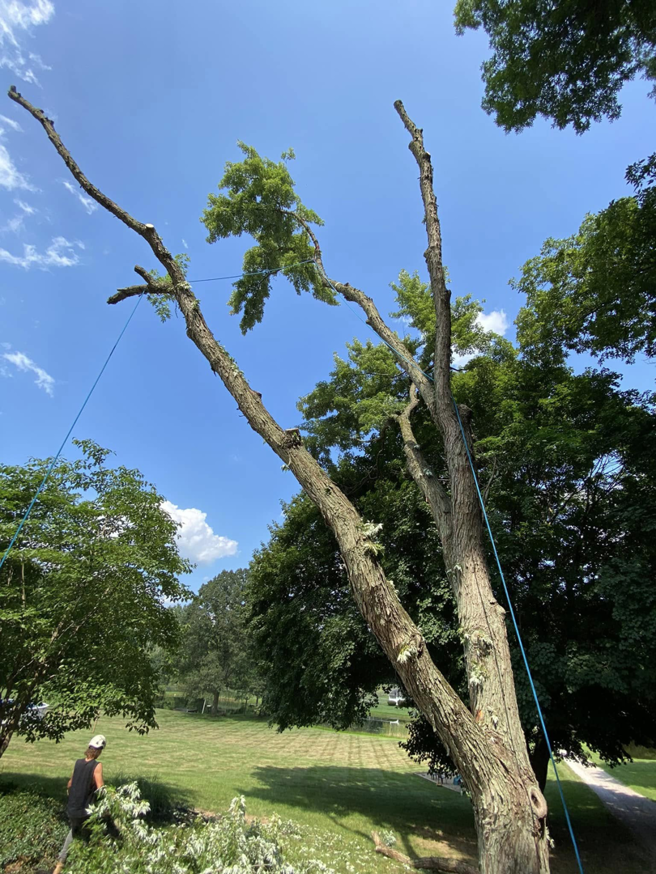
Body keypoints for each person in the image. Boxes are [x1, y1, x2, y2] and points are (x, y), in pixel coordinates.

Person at [52, 734, 106, 874]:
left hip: (72, 808)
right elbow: (101, 788)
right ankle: (83, 866)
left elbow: (69, 784)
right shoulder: (97, 765)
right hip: (85, 810)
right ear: (99, 751)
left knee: (74, 831)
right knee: (89, 834)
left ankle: (59, 866)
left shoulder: (77, 763)